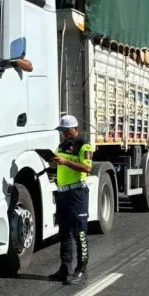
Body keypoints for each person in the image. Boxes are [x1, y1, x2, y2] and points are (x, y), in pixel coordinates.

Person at [48, 114, 93, 285]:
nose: (63, 134)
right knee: (64, 232)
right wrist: (53, 162)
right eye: (61, 131)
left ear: (75, 129)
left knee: (79, 232)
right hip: (63, 193)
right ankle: (65, 267)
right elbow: (57, 165)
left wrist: (66, 162)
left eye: (66, 131)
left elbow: (87, 168)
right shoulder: (61, 146)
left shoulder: (84, 145)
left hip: (77, 194)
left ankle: (81, 269)